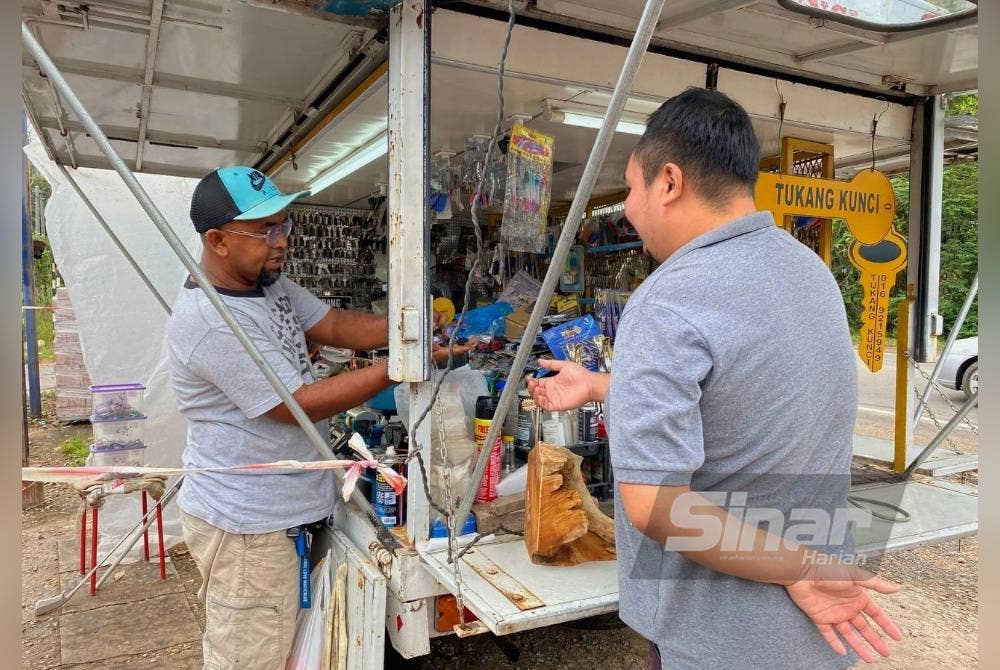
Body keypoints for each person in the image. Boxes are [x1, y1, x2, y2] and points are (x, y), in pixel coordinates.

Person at [528, 89, 902, 670]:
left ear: (669, 182)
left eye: (631, 188)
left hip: (722, 636)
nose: (627, 207)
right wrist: (602, 386)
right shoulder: (811, 273)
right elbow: (751, 400)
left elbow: (656, 506)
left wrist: (799, 570)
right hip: (821, 625)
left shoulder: (667, 301)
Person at [167, 166, 466, 669]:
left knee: (294, 648)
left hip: (285, 514)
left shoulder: (269, 286)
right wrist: (401, 365)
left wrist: (406, 330)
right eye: (266, 231)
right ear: (217, 240)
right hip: (249, 529)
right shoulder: (211, 322)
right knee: (251, 656)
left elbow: (332, 323)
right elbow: (297, 405)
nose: (281, 242)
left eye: (285, 225)